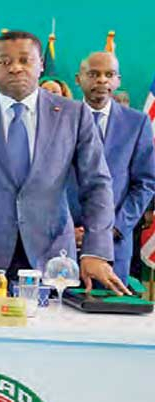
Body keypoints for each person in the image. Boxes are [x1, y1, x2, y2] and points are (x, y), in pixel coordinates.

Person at [0, 31, 128, 294]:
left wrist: (96, 251)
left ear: (41, 64)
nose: (15, 68)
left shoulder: (73, 114)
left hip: (53, 261)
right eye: (4, 62)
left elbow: (96, 185)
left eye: (24, 60)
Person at [68, 52, 155, 283]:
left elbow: (146, 182)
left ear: (118, 80)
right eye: (94, 74)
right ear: (78, 79)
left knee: (107, 315)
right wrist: (66, 229)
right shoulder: (60, 119)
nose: (102, 80)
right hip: (63, 243)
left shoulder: (137, 123)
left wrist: (113, 228)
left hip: (114, 245)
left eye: (109, 75)